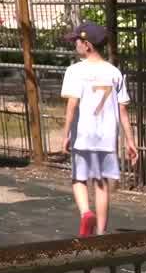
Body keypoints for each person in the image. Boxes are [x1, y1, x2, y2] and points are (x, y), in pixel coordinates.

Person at [59, 21, 140, 237]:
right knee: (102, 183)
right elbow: (123, 110)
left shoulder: (75, 71)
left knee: (79, 179)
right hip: (106, 137)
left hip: (83, 135)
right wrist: (130, 141)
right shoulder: (114, 72)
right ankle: (102, 233)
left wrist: (66, 134)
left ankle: (86, 213)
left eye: (77, 40)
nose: (75, 44)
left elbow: (72, 105)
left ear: (87, 44)